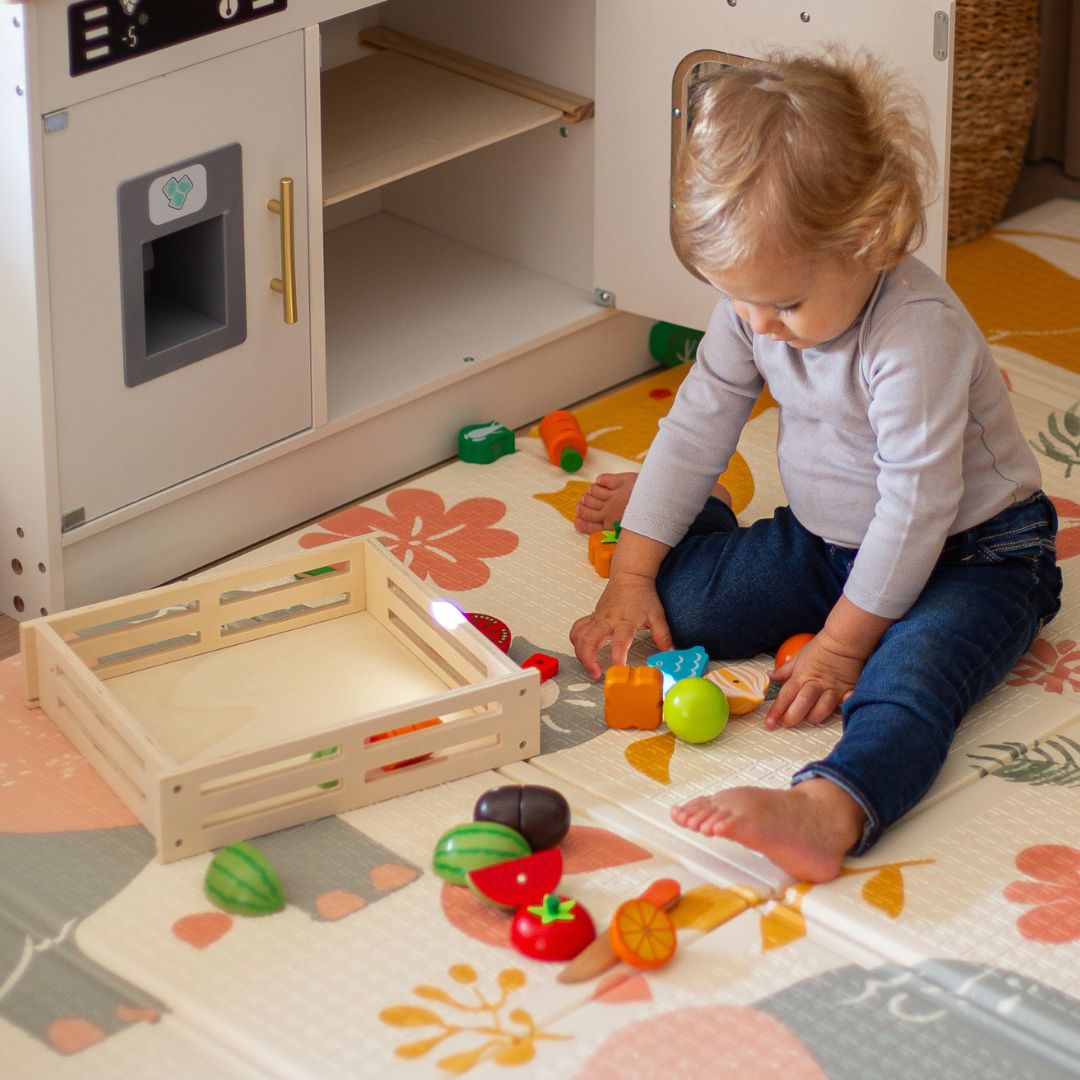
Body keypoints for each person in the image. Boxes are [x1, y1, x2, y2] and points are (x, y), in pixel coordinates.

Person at [569, 50, 1062, 883]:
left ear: (870, 241)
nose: (760, 327)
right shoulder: (757, 304)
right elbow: (698, 421)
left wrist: (841, 645)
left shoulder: (917, 334)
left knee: (909, 677)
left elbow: (915, 508)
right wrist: (631, 570)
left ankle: (827, 809)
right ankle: (694, 514)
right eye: (740, 300)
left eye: (786, 304)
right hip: (828, 541)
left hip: (971, 557)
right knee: (676, 607)